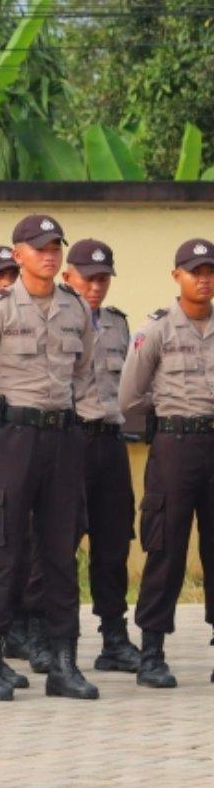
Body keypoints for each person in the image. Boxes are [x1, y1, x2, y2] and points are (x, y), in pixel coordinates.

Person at [0, 214, 98, 701]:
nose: (49, 254)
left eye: (55, 246)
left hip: (62, 439)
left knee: (59, 553)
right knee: (3, 549)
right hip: (13, 439)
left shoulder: (76, 308)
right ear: (18, 254)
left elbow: (86, 370)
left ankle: (64, 663)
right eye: (39, 247)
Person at [118, 238, 214, 688]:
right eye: (195, 271)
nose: (204, 278)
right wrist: (163, 431)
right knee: (165, 547)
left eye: (210, 270)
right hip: (175, 447)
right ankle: (152, 649)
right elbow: (131, 397)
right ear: (176, 275)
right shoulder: (155, 330)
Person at [59, 239, 141, 675]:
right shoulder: (52, 318)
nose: (95, 286)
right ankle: (51, 637)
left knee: (112, 544)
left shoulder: (118, 325)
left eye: (103, 278)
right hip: (66, 441)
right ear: (67, 276)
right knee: (57, 544)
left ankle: (114, 637)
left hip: (109, 442)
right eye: (87, 277)